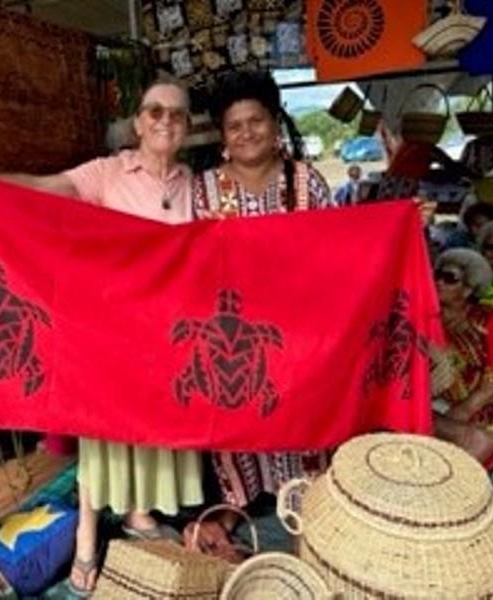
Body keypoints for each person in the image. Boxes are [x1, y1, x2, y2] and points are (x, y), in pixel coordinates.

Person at [0, 78, 203, 596]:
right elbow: (38, 188)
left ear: (187, 126)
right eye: (154, 111)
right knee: (101, 431)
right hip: (109, 328)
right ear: (137, 123)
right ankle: (87, 540)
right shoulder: (107, 172)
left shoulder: (193, 186)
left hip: (165, 333)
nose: (165, 120)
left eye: (176, 114)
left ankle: (138, 513)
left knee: (155, 427)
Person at [190, 71, 334, 551]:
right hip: (233, 330)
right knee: (237, 416)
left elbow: (339, 245)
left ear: (275, 128)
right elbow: (183, 259)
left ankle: (310, 504)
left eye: (257, 121)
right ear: (224, 139)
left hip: (298, 327)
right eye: (235, 126)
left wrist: (400, 221)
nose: (247, 132)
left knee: (303, 415)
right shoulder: (203, 189)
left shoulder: (305, 181)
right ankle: (236, 503)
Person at [431, 249, 493, 466]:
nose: (439, 282)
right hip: (426, 403)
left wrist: (466, 408)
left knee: (486, 438)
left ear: (469, 289)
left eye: (450, 278)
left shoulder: (489, 319)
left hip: (476, 405)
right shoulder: (423, 314)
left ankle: (453, 486)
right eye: (437, 275)